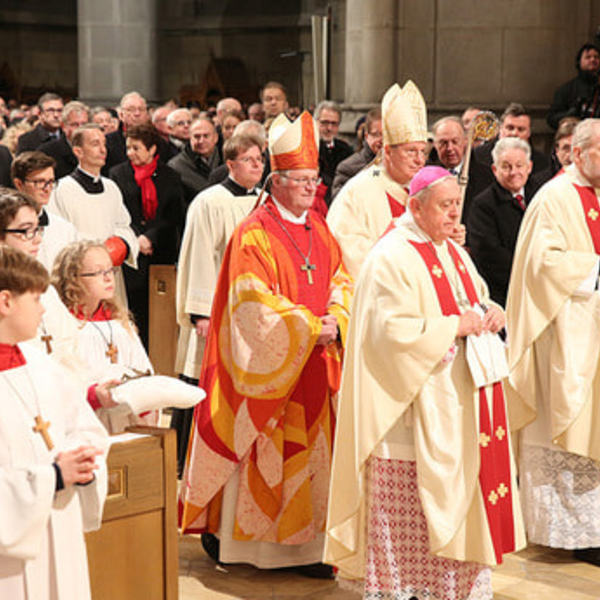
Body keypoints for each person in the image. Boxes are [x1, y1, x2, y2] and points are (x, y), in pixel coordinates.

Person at [325, 166, 525, 599]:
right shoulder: (390, 256)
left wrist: (491, 311)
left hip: (458, 407)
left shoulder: (451, 250)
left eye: (457, 204)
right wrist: (456, 325)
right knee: (411, 526)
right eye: (445, 206)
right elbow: (388, 333)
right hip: (410, 413)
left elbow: (474, 295)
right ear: (415, 206)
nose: (455, 215)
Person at [179, 111, 352, 577]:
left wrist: (338, 315)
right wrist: (308, 326)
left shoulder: (321, 227)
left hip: (315, 365)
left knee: (316, 460)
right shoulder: (253, 231)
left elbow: (341, 278)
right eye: (300, 180)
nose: (311, 188)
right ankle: (255, 550)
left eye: (314, 180)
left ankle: (311, 551)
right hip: (270, 375)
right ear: (276, 181)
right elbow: (249, 301)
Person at [505, 117, 600, 566]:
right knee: (567, 431)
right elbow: (543, 266)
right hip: (563, 337)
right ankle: (572, 534)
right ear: (577, 153)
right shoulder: (554, 198)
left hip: (592, 333)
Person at [0, 244, 108, 600]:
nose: (45, 308)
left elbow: (86, 426)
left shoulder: (42, 364)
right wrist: (54, 476)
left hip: (59, 526)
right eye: (36, 298)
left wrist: (85, 460)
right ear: (5, 302)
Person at [172, 133, 263, 474]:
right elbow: (198, 256)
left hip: (251, 313)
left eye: (260, 159)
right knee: (201, 379)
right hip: (215, 310)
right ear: (230, 164)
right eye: (249, 160)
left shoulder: (265, 202)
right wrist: (201, 314)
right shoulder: (209, 201)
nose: (257, 166)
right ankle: (187, 461)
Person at [52, 240, 157, 433]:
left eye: (110, 271)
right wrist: (93, 396)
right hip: (86, 424)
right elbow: (60, 382)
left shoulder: (120, 323)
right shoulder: (64, 326)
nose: (109, 279)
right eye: (98, 273)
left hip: (128, 424)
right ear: (73, 279)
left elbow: (143, 369)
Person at [327, 80, 429, 279]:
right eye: (411, 152)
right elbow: (350, 254)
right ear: (388, 151)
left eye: (422, 152)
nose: (419, 160)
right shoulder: (359, 190)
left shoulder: (425, 190)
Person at [109, 123, 184, 348]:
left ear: (152, 150)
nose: (130, 153)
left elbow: (173, 215)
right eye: (128, 148)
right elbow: (119, 212)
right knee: (135, 310)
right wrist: (137, 239)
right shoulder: (118, 173)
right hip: (132, 255)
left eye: (136, 148)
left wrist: (151, 237)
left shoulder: (170, 175)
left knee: (160, 314)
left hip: (160, 251)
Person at [50, 124, 139, 307]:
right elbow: (57, 234)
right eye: (95, 144)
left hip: (111, 272)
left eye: (104, 144)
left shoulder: (111, 187)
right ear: (78, 151)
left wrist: (121, 245)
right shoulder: (62, 189)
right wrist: (90, 259)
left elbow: (124, 225)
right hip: (80, 275)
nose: (102, 150)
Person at [468, 138, 538, 307]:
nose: (514, 172)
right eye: (506, 166)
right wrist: (529, 274)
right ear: (494, 169)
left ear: (529, 167)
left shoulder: (542, 193)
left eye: (519, 165)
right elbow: (489, 256)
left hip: (541, 285)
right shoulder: (482, 205)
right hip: (505, 293)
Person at [11, 151, 78, 272]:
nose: (47, 188)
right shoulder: (8, 229)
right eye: (39, 182)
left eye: (51, 182)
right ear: (19, 184)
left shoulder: (65, 229)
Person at [429, 115, 491, 225]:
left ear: (465, 141)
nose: (449, 148)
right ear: (434, 144)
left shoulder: (486, 177)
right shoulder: (425, 176)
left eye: (455, 141)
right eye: (443, 143)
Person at [167, 117, 222, 204]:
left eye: (206, 136)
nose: (201, 141)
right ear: (190, 138)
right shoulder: (176, 167)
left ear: (216, 138)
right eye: (197, 136)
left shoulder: (227, 159)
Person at [331, 108, 382, 199]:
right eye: (376, 135)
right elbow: (338, 202)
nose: (381, 140)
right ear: (366, 136)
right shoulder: (348, 167)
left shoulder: (400, 166)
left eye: (386, 135)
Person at [547, 43, 600, 129]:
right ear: (579, 62)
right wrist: (570, 114)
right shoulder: (566, 89)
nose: (593, 60)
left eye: (596, 57)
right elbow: (551, 119)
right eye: (588, 57)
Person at [314, 101, 353, 207]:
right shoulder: (308, 148)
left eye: (334, 124)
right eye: (325, 123)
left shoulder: (346, 150)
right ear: (315, 122)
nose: (329, 128)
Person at [37, 101, 90, 179]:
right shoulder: (47, 152)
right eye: (75, 125)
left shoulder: (96, 150)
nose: (80, 129)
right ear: (63, 126)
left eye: (84, 124)